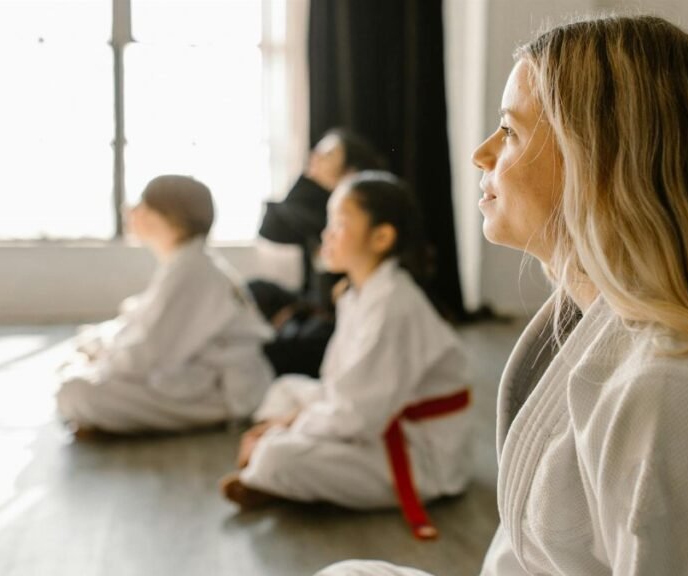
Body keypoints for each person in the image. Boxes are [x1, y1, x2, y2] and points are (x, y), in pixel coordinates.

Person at [317, 15, 688, 575]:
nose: (482, 153)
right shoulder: (604, 331)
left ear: (594, 159)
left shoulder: (676, 392)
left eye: (509, 130)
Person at [221, 171, 471, 540]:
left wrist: (284, 427)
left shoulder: (393, 305)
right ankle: (276, 468)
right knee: (287, 389)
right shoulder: (358, 293)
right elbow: (339, 385)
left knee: (277, 455)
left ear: (381, 237)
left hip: (419, 454)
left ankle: (271, 472)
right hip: (375, 416)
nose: (326, 234)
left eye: (339, 223)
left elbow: (357, 416)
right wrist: (292, 417)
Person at [56, 175, 274, 436]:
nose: (131, 211)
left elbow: (145, 354)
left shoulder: (191, 270)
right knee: (81, 362)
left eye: (143, 204)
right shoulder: (187, 263)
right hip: (200, 379)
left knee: (76, 392)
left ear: (167, 217)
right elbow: (139, 327)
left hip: (222, 394)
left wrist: (100, 360)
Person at [250, 129, 387, 378]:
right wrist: (306, 176)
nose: (315, 156)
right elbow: (271, 229)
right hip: (315, 304)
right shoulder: (319, 204)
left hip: (338, 316)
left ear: (352, 164)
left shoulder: (369, 209)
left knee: (271, 354)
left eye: (328, 153)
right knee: (255, 289)